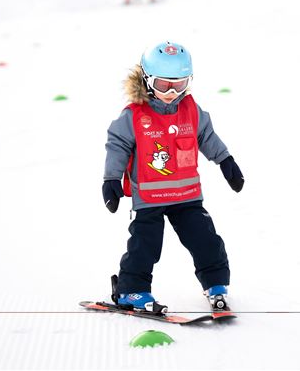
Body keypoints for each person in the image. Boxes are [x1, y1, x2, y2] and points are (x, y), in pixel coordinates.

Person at [102, 41, 245, 313]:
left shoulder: (190, 110)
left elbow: (207, 137)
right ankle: (131, 291)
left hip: (187, 196)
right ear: (146, 79)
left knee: (206, 240)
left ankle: (216, 284)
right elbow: (117, 144)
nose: (170, 93)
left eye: (179, 85)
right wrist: (111, 180)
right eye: (163, 85)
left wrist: (226, 161)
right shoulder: (134, 116)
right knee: (145, 246)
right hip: (149, 198)